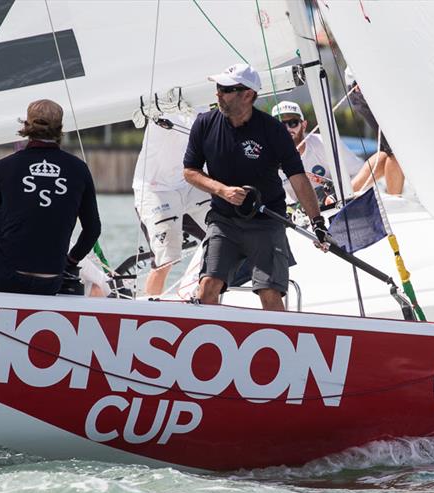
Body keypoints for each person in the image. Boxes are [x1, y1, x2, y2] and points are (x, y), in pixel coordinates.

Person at [183, 63, 327, 311]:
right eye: (218, 87)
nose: (218, 93)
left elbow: (297, 176)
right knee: (207, 288)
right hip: (224, 221)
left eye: (226, 89)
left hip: (267, 220)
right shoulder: (204, 124)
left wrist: (318, 222)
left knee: (269, 293)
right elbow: (190, 171)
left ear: (248, 94)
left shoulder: (272, 130)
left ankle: (282, 345)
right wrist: (222, 191)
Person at [0, 99, 101, 295]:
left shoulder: (5, 166)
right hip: (50, 281)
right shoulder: (79, 169)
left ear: (26, 126)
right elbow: (93, 229)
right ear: (60, 129)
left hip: (6, 273)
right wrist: (69, 262)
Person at [133, 112, 211, 295]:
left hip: (192, 182)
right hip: (157, 187)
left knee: (224, 236)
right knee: (165, 258)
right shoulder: (160, 102)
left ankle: (204, 295)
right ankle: (150, 311)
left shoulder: (206, 103)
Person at [270, 100, 362, 206]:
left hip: (335, 209)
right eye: (280, 125)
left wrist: (336, 196)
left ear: (304, 125)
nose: (287, 129)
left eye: (293, 123)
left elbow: (358, 172)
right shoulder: (267, 160)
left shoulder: (324, 144)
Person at [345, 67, 406, 195]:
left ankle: (346, 195)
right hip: (366, 85)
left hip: (368, 84)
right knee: (396, 150)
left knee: (387, 151)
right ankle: (395, 201)